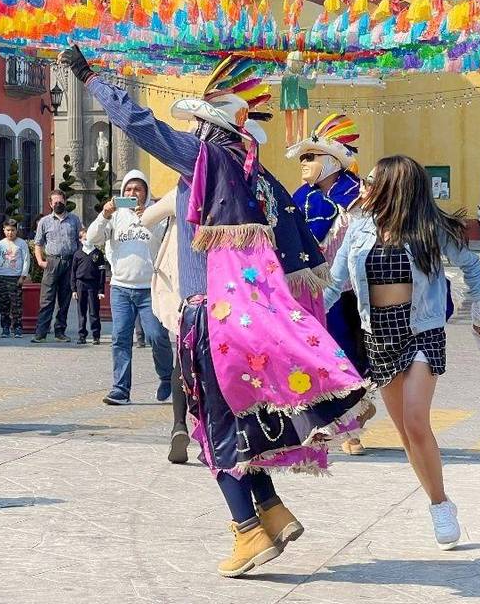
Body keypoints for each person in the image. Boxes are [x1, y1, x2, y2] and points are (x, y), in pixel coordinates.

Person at [62, 46, 367, 577]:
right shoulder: (260, 176)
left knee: (217, 427)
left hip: (212, 318)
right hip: (246, 321)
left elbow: (140, 125)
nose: (194, 132)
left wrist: (91, 79)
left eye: (200, 122)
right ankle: (271, 511)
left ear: (211, 124)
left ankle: (247, 532)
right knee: (244, 423)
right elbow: (301, 258)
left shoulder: (209, 158)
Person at [325, 155, 480, 550]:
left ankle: (439, 507)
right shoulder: (359, 229)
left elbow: (471, 265)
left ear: (392, 186)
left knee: (417, 421)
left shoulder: (429, 228)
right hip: (379, 333)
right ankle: (439, 498)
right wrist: (301, 318)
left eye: (369, 181)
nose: (362, 188)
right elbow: (334, 284)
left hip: (422, 328)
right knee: (405, 430)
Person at [287, 114, 375, 456]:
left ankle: (352, 424)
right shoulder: (298, 197)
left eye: (311, 156)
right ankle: (326, 421)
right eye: (304, 157)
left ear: (332, 160)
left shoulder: (357, 197)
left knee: (349, 357)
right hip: (313, 291)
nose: (304, 163)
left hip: (351, 292)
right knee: (318, 358)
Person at [88, 169, 174, 404]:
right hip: (121, 287)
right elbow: (92, 239)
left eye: (137, 189)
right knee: (120, 337)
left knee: (157, 335)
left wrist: (147, 216)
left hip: (149, 288)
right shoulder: (115, 215)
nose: (132, 193)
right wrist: (104, 215)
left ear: (146, 192)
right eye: (128, 189)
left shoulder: (156, 214)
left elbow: (160, 240)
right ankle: (120, 389)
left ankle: (168, 377)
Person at [140, 188, 191, 462]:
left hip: (185, 288)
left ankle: (179, 424)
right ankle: (216, 432)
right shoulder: (234, 189)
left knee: (182, 361)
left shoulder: (181, 192)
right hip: (222, 289)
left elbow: (147, 219)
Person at [31, 189, 82, 343]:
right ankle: (41, 333)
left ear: (65, 202)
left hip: (69, 261)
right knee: (47, 299)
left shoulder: (74, 220)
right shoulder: (44, 222)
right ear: (50, 204)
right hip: (52, 262)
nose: (58, 204)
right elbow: (38, 243)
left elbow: (80, 241)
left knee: (65, 299)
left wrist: (78, 262)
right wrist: (40, 261)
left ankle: (60, 331)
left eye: (61, 201)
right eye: (55, 202)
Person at [0, 218, 29, 337]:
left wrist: (23, 276)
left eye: (13, 230)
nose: (10, 233)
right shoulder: (0, 244)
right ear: (3, 230)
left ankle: (17, 327)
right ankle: (5, 327)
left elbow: (26, 260)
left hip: (15, 278)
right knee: (3, 304)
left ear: (17, 230)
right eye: (8, 230)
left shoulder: (22, 243)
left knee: (16, 304)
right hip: (1, 277)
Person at [70, 226, 106, 345]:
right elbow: (73, 272)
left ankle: (96, 335)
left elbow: (102, 272)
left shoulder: (97, 253)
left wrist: (101, 290)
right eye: (84, 239)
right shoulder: (78, 254)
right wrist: (74, 289)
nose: (87, 241)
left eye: (88, 238)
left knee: (94, 311)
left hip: (93, 285)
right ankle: (82, 335)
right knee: (81, 311)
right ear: (80, 240)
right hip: (80, 284)